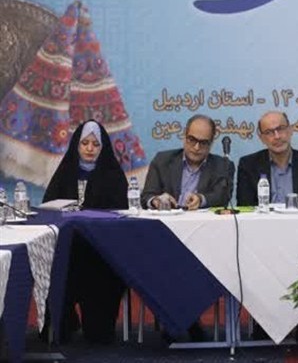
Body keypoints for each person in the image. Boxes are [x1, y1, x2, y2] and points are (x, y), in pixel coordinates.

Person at [42, 120, 128, 343]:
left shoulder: (113, 175)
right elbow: (48, 208)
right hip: (67, 251)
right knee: (57, 335)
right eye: (85, 143)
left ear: (103, 148)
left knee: (98, 336)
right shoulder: (65, 172)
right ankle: (66, 321)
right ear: (76, 145)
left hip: (101, 254)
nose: (90, 149)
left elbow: (122, 214)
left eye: (95, 144)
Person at [236, 111, 298, 206]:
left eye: (280, 129)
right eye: (269, 132)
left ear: (290, 130)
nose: (277, 136)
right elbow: (245, 208)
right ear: (262, 138)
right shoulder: (248, 165)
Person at [141, 114, 232, 210]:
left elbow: (222, 197)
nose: (196, 147)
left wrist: (201, 199)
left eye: (203, 143)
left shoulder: (223, 166)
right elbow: (146, 196)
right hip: (168, 218)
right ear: (184, 136)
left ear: (211, 143)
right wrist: (156, 200)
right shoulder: (162, 160)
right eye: (192, 140)